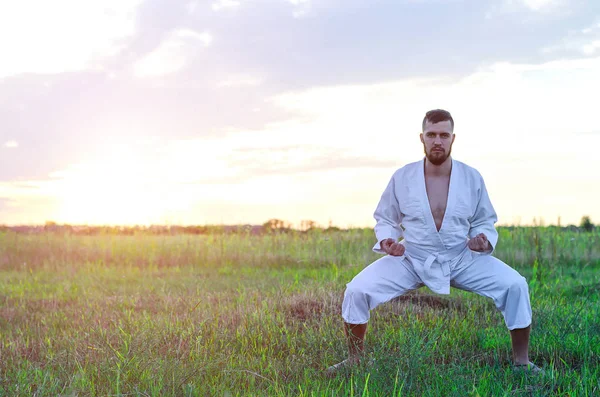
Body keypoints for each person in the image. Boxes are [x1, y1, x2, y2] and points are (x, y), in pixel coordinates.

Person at [327, 109, 542, 374]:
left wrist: (483, 241)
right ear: (422, 137)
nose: (437, 140)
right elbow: (386, 218)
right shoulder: (403, 177)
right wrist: (387, 241)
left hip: (461, 255)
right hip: (412, 256)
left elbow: (485, 219)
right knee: (356, 290)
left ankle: (522, 363)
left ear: (453, 138)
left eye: (443, 135)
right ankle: (355, 360)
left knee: (515, 285)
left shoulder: (471, 177)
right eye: (431, 134)